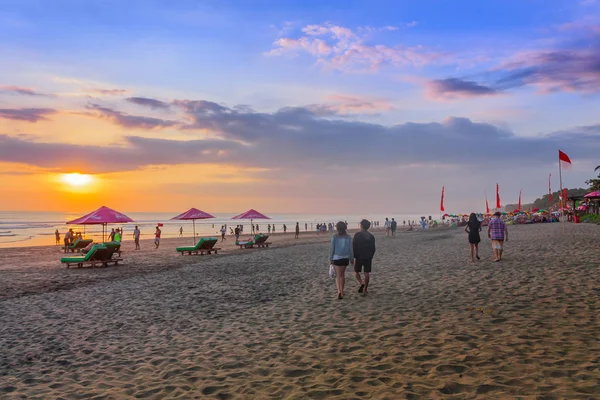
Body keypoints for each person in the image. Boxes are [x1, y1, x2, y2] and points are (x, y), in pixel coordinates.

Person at [329, 221, 354, 300]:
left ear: (337, 228)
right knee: (342, 275)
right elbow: (351, 250)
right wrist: (352, 259)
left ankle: (339, 291)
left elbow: (332, 249)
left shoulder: (334, 237)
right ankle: (342, 291)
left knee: (338, 276)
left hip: (336, 258)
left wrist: (330, 258)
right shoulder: (349, 237)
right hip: (345, 258)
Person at [353, 219, 376, 296]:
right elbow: (373, 248)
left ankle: (361, 283)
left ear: (361, 226)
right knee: (366, 273)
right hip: (368, 256)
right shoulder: (371, 236)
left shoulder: (357, 235)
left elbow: (354, 246)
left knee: (356, 272)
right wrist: (371, 255)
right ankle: (365, 289)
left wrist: (354, 255)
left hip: (359, 256)